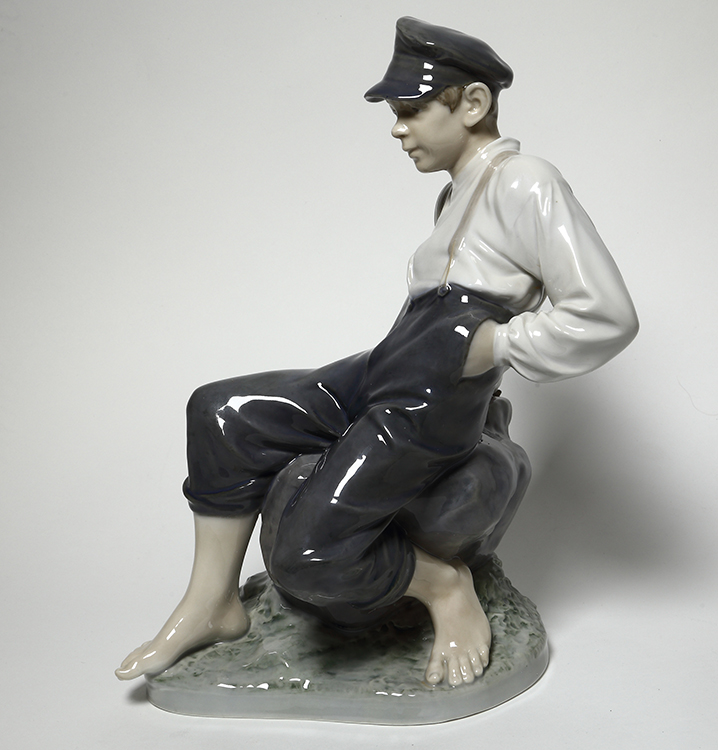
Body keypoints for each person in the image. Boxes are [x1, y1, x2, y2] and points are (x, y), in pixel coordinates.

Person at [116, 17, 638, 688]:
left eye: (411, 110)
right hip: (389, 368)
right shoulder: (455, 194)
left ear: (472, 103)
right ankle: (211, 602)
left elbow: (605, 313)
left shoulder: (526, 181)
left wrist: (501, 343)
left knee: (305, 554)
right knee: (222, 412)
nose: (397, 129)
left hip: (432, 400)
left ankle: (444, 586)